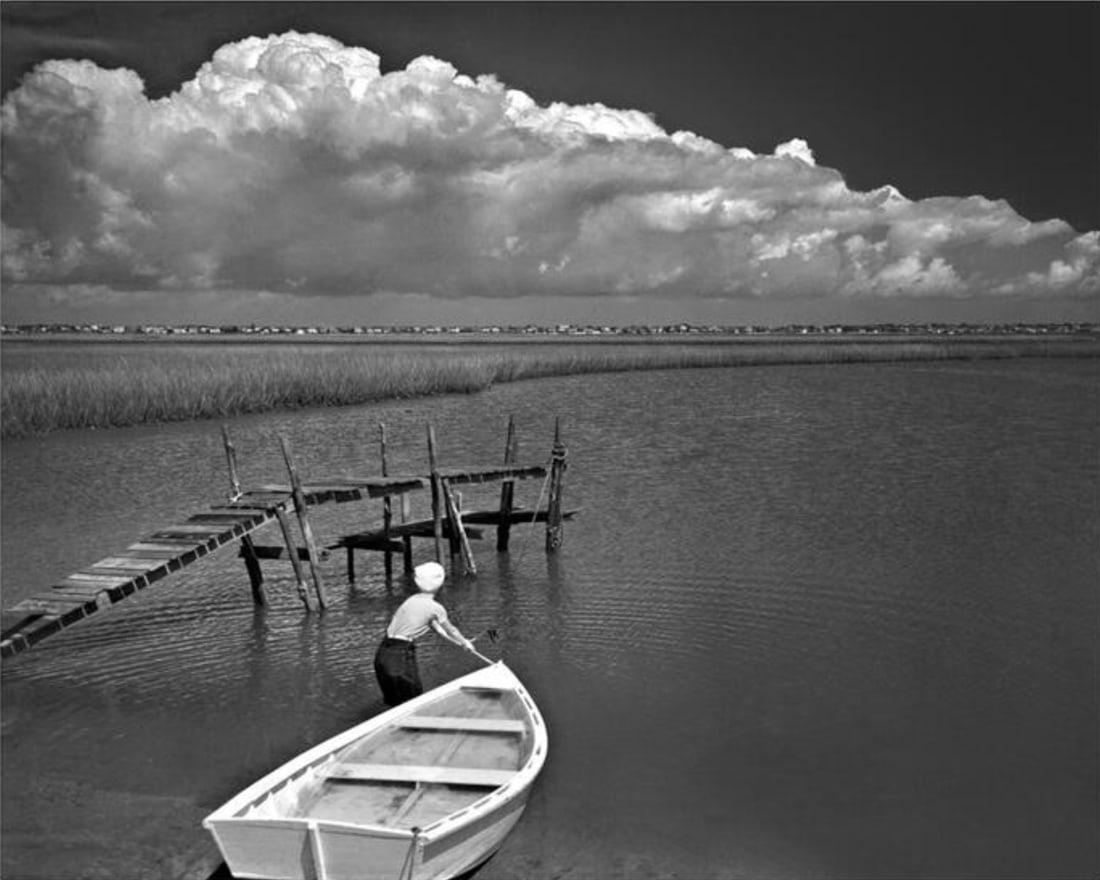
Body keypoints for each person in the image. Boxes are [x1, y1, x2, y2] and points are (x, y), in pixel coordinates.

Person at [373, 561, 475, 706]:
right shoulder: (436, 608)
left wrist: (459, 642)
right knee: (414, 701)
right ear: (440, 584)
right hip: (400, 655)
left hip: (382, 653)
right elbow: (450, 629)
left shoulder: (411, 600)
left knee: (393, 703)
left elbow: (436, 627)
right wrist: (465, 643)